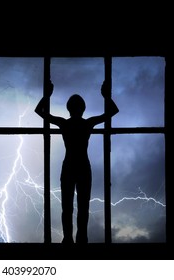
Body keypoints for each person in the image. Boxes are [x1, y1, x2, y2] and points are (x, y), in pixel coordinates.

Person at [35, 81, 119, 243]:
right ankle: (82, 238)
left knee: (67, 207)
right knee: (83, 207)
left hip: (68, 166)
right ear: (83, 108)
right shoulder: (87, 123)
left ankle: (68, 239)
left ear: (69, 108)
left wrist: (47, 96)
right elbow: (113, 111)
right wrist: (106, 97)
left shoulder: (64, 123)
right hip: (83, 166)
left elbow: (39, 111)